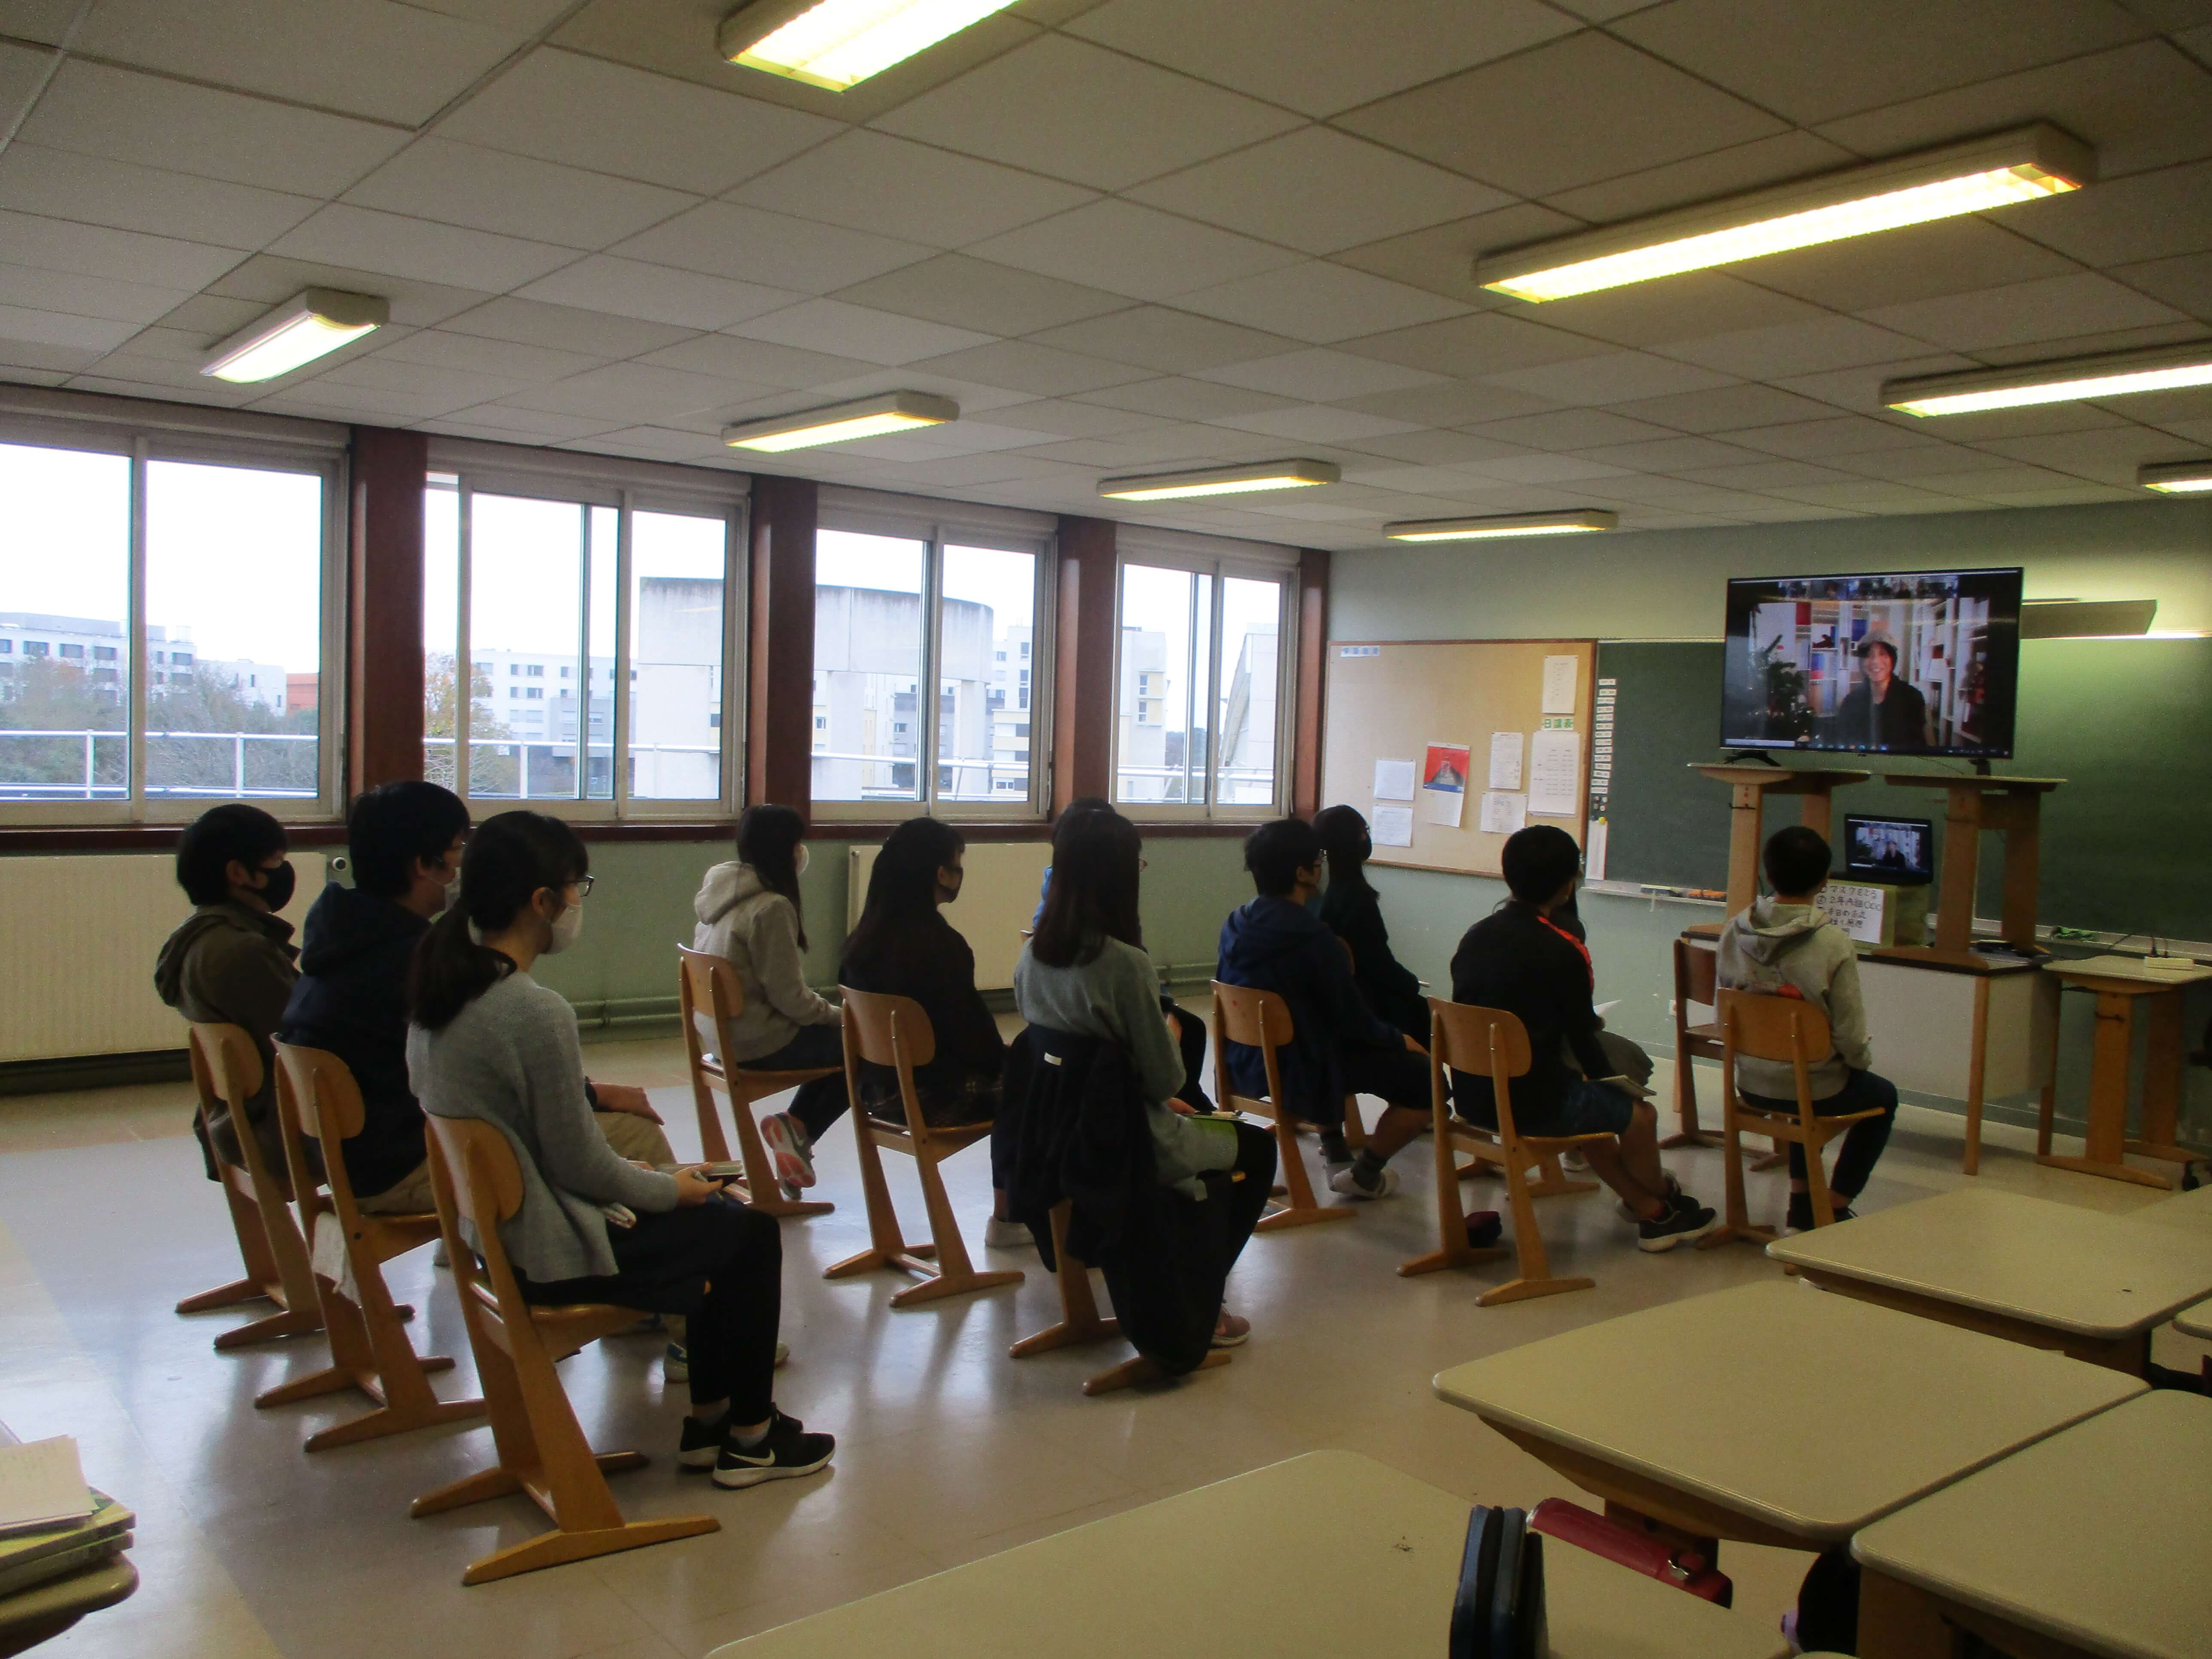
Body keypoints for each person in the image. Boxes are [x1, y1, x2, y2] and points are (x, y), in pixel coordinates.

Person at [408, 811, 832, 1490]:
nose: (580, 904)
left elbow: (537, 1143)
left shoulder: (441, 991)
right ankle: (750, 1437)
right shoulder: (533, 1011)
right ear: (542, 902)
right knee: (746, 1231)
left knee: (717, 1222)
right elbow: (581, 1165)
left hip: (495, 1240)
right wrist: (672, 1187)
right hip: (549, 1252)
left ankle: (709, 1427)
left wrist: (644, 1180)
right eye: (577, 887)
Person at [282, 783, 686, 1373]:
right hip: (401, 1167)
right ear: (424, 866)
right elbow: (491, 1079)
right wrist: (595, 1097)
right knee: (633, 1134)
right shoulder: (411, 962)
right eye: (456, 850)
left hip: (350, 1159)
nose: (464, 866)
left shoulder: (344, 935)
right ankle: (672, 1312)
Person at [1012, 807, 1271, 1346]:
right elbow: (1164, 1081)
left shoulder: (1030, 955)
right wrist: (1168, 1034)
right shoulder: (1125, 963)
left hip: (1056, 1138)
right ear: (1119, 875)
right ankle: (1202, 1298)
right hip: (1127, 1142)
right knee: (1255, 1148)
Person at [1449, 825, 1716, 1251]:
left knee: (1595, 1116)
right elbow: (1585, 1042)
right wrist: (1617, 1087)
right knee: (1637, 1115)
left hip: (1472, 1095)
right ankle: (1660, 1204)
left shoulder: (1476, 936)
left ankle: (1649, 1207)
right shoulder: (1561, 949)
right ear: (1567, 883)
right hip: (1533, 1104)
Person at [1217, 817, 1433, 1200]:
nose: (1323, 864)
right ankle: (1366, 1174)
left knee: (1320, 1037)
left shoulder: (1236, 922)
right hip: (1298, 1070)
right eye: (1317, 859)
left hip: (1243, 1061)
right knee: (1426, 1080)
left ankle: (1336, 1156)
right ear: (1302, 873)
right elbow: (1356, 1022)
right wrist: (1401, 1040)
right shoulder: (1316, 940)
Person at [1717, 825, 1899, 1230]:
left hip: (1749, 1081)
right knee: (1882, 1097)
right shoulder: (1832, 943)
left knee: (1804, 1076)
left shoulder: (1733, 930)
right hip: (1815, 1085)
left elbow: (1724, 1011)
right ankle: (1831, 1204)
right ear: (1824, 880)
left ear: (1767, 872)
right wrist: (1859, 1063)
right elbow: (1851, 1037)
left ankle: (1803, 1201)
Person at [692, 803, 847, 1196]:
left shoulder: (718, 898)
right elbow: (792, 1000)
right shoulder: (771, 908)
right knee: (860, 1048)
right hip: (758, 1042)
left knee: (839, 1046)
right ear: (786, 849)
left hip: (719, 1039)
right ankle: (797, 1128)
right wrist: (842, 1016)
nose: (802, 851)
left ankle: (794, 1133)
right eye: (799, 842)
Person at [155, 803, 306, 1182]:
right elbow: (308, 1041)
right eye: (276, 861)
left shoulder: (195, 939)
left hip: (233, 1122)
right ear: (240, 873)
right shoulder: (243, 952)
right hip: (281, 1132)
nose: (284, 872)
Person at [1313, 804, 1428, 1042]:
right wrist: (1411, 982)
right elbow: (1379, 965)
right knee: (1431, 1019)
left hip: (1348, 998)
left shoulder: (1330, 895)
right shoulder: (1357, 899)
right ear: (1355, 839)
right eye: (1364, 830)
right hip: (1369, 1004)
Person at [1831, 638, 1928, 750]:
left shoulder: (1912, 698)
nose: (1876, 661)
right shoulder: (1851, 701)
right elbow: (1842, 743)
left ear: (1893, 660)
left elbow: (1917, 748)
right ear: (1862, 663)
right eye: (1869, 656)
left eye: (1883, 654)